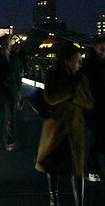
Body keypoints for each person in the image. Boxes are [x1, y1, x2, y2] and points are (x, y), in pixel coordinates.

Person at [35, 44, 93, 206]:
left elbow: (88, 101)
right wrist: (73, 92)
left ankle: (79, 202)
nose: (80, 64)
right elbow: (51, 98)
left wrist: (71, 94)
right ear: (67, 61)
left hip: (75, 127)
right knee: (53, 163)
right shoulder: (53, 75)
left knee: (77, 168)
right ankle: (54, 197)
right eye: (77, 61)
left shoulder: (82, 78)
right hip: (56, 127)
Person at [0, 35, 23, 151]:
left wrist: (18, 91)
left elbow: (18, 75)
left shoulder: (15, 57)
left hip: (11, 91)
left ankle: (10, 141)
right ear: (0, 43)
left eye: (9, 41)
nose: (7, 43)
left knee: (11, 118)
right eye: (5, 41)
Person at [83, 36, 105, 182]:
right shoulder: (88, 64)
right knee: (95, 138)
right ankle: (92, 169)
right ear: (95, 47)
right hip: (94, 106)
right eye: (101, 47)